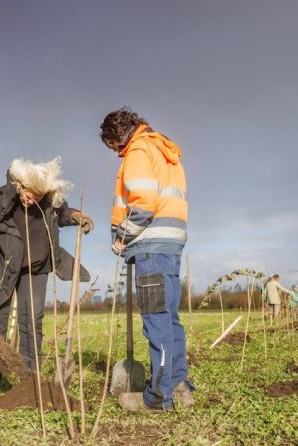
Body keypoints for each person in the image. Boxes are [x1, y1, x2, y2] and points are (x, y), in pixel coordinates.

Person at [0, 157, 93, 395]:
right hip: (2, 267)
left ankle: (29, 378)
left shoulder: (48, 199)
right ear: (19, 185)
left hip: (37, 268)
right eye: (28, 193)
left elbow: (62, 211)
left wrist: (75, 215)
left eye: (38, 196)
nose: (31, 199)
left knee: (32, 321)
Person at [99, 107, 193, 412]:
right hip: (171, 244)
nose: (115, 153)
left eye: (113, 146)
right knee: (170, 318)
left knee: (156, 321)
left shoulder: (139, 151)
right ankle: (179, 387)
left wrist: (121, 237)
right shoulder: (164, 151)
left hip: (150, 246)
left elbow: (143, 203)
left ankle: (158, 397)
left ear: (119, 135)